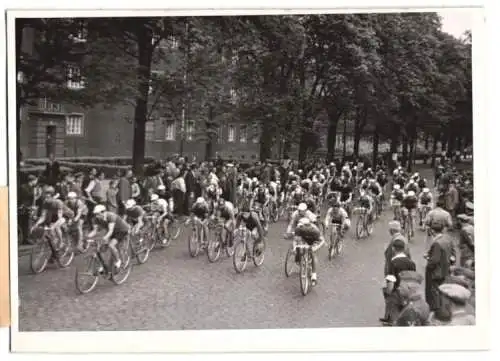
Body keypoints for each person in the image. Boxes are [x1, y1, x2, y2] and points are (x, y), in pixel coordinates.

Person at [380, 238, 416, 325]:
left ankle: (390, 320)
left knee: (394, 316)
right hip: (407, 291)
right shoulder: (411, 263)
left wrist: (388, 292)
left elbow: (391, 280)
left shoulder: (393, 262)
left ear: (393, 249)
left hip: (396, 292)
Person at [425, 221, 456, 312]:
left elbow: (434, 260)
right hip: (446, 270)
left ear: (433, 231)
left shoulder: (437, 243)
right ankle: (444, 308)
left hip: (436, 272)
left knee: (434, 293)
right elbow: (453, 255)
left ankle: (437, 311)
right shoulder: (448, 239)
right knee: (443, 291)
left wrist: (428, 259)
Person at [31, 186, 75, 251]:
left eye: (48, 197)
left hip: (67, 215)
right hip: (55, 215)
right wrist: (36, 225)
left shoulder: (58, 202)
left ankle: (61, 242)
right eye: (45, 197)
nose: (46, 199)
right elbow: (43, 216)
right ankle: (55, 241)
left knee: (56, 226)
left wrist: (53, 226)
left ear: (52, 196)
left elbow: (60, 217)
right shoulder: (45, 203)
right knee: (51, 228)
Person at [87, 204, 130, 269]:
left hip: (121, 230)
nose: (97, 216)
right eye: (95, 214)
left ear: (103, 212)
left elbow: (110, 231)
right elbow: (95, 231)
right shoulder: (95, 219)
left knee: (111, 245)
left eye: (98, 214)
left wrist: (105, 238)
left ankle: (118, 261)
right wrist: (87, 237)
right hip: (112, 231)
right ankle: (103, 265)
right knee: (101, 249)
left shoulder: (110, 216)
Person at [286, 217, 325, 285]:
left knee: (312, 253)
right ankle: (299, 260)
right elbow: (296, 240)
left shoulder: (315, 230)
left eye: (302, 227)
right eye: (300, 226)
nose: (300, 228)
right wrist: (295, 247)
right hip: (305, 239)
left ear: (307, 226)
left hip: (314, 240)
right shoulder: (299, 228)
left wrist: (314, 248)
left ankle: (314, 275)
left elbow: (322, 241)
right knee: (299, 246)